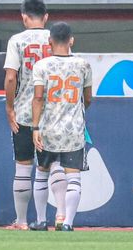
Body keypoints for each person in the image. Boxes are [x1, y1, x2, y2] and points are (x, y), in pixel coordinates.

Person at [3, 0, 66, 230]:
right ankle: (59, 217)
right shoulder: (56, 39)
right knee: (54, 165)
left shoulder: (17, 41)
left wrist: (10, 107)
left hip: (24, 112)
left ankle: (21, 221)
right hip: (52, 113)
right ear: (46, 17)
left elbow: (11, 77)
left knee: (23, 165)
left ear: (23, 17)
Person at [31, 22, 92, 231]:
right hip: (73, 129)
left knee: (41, 172)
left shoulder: (41, 66)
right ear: (71, 40)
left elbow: (38, 98)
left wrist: (35, 127)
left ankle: (40, 221)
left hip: (47, 128)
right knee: (73, 175)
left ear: (49, 42)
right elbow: (88, 99)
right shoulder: (83, 64)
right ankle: (67, 223)